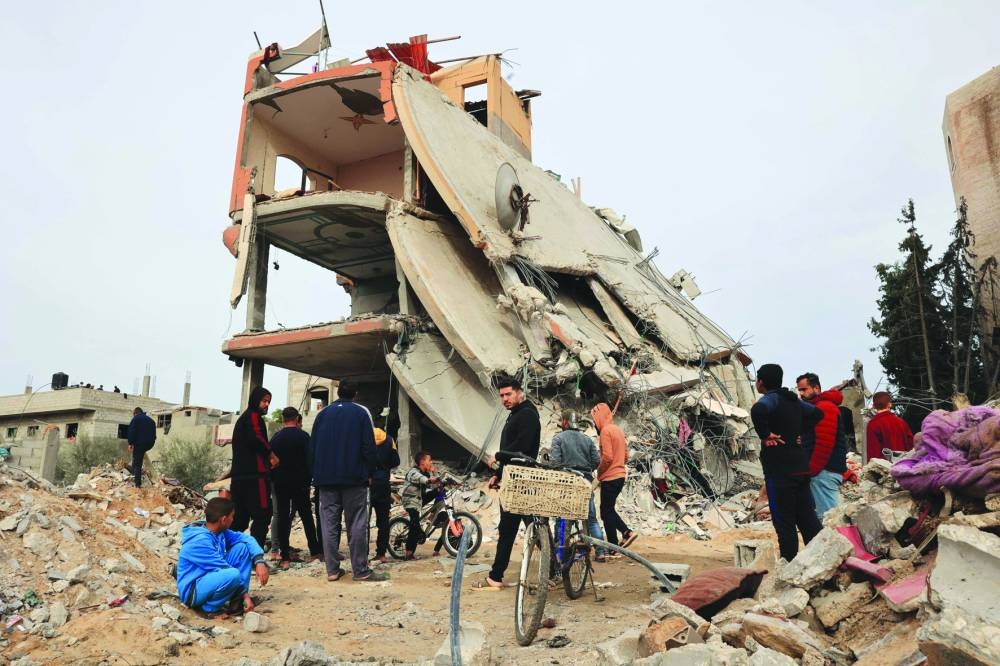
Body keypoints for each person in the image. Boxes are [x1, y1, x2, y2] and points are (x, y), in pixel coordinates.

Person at [311, 381, 385, 582]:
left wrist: (316, 475)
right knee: (357, 523)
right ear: (355, 394)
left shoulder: (322, 415)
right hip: (354, 478)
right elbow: (368, 446)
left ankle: (332, 570)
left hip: (326, 479)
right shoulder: (360, 413)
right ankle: (360, 570)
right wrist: (370, 472)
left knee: (329, 524)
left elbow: (313, 447)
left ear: (337, 392)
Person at [751, 364, 824, 561]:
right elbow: (817, 414)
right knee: (807, 519)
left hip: (780, 471)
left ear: (761, 382)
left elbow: (758, 410)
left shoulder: (771, 399)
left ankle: (789, 565)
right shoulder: (793, 400)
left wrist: (765, 434)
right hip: (800, 468)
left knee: (785, 523)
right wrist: (798, 431)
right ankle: (820, 560)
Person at [477, 375, 541, 590]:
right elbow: (514, 453)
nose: (505, 399)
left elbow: (523, 447)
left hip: (522, 481)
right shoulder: (516, 414)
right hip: (513, 479)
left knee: (519, 528)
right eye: (502, 395)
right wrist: (499, 473)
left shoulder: (527, 414)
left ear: (519, 392)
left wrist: (499, 455)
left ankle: (496, 576)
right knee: (522, 527)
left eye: (508, 394)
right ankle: (555, 568)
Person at [177, 497, 269, 617]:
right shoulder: (199, 541)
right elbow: (223, 568)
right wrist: (245, 596)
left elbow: (246, 538)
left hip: (209, 577)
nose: (233, 519)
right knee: (232, 574)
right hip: (192, 591)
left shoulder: (218, 531)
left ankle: (236, 604)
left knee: (242, 548)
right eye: (232, 516)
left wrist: (259, 561)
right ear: (224, 519)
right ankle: (208, 609)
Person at [549, 409, 607, 561]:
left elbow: (555, 463)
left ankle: (560, 551)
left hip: (566, 483)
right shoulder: (587, 440)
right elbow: (597, 461)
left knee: (562, 517)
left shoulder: (558, 438)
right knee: (591, 519)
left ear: (565, 422)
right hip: (585, 482)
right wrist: (586, 470)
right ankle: (600, 551)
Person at [269, 407, 322, 568]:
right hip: (301, 484)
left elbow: (270, 461)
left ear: (283, 419)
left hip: (281, 483)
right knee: (306, 516)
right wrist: (310, 478)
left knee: (283, 517)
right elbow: (311, 459)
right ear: (297, 418)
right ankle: (315, 552)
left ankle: (285, 557)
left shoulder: (276, 438)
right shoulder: (304, 437)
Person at [796, 372, 848, 520]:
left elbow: (824, 444)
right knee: (826, 519)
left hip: (823, 472)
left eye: (804, 389)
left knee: (830, 521)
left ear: (816, 388)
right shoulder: (815, 408)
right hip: (822, 472)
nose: (801, 394)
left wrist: (811, 471)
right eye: (799, 390)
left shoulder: (824, 407)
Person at [231, 387, 278, 548]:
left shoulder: (244, 418)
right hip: (255, 478)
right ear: (256, 400)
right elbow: (256, 437)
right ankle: (255, 555)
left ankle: (231, 554)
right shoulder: (252, 416)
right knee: (262, 516)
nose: (267, 405)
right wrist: (271, 455)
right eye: (264, 401)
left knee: (239, 519)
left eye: (268, 402)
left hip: (240, 478)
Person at [592, 403, 637, 550]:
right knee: (608, 510)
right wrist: (618, 465)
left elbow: (607, 457)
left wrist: (599, 472)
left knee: (606, 512)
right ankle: (623, 536)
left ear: (599, 418)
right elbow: (626, 456)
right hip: (620, 476)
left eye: (594, 420)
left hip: (610, 477)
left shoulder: (605, 431)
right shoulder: (618, 430)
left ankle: (619, 540)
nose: (594, 424)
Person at [400, 451, 446, 559]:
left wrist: (435, 473)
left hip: (419, 499)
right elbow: (422, 479)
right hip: (410, 500)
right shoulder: (413, 472)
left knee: (437, 491)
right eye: (429, 460)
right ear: (422, 462)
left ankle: (428, 521)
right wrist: (430, 480)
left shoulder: (426, 474)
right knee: (415, 525)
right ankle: (409, 552)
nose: (431, 462)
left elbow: (436, 483)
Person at [371, 427, 400, 564]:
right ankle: (381, 554)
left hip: (367, 483)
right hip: (383, 483)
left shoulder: (363, 437)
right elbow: (396, 461)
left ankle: (362, 553)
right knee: (383, 521)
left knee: (363, 520)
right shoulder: (389, 439)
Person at [866, 392, 914, 462]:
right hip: (903, 464)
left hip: (884, 466)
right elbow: (911, 446)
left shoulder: (872, 424)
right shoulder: (902, 422)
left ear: (873, 406)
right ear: (889, 404)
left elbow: (873, 452)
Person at [126, 407, 156, 488]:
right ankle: (134, 473)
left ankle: (137, 484)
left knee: (137, 463)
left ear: (135, 413)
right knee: (138, 456)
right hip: (150, 444)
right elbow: (154, 434)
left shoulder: (135, 419)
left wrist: (130, 443)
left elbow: (131, 431)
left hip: (140, 444)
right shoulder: (151, 420)